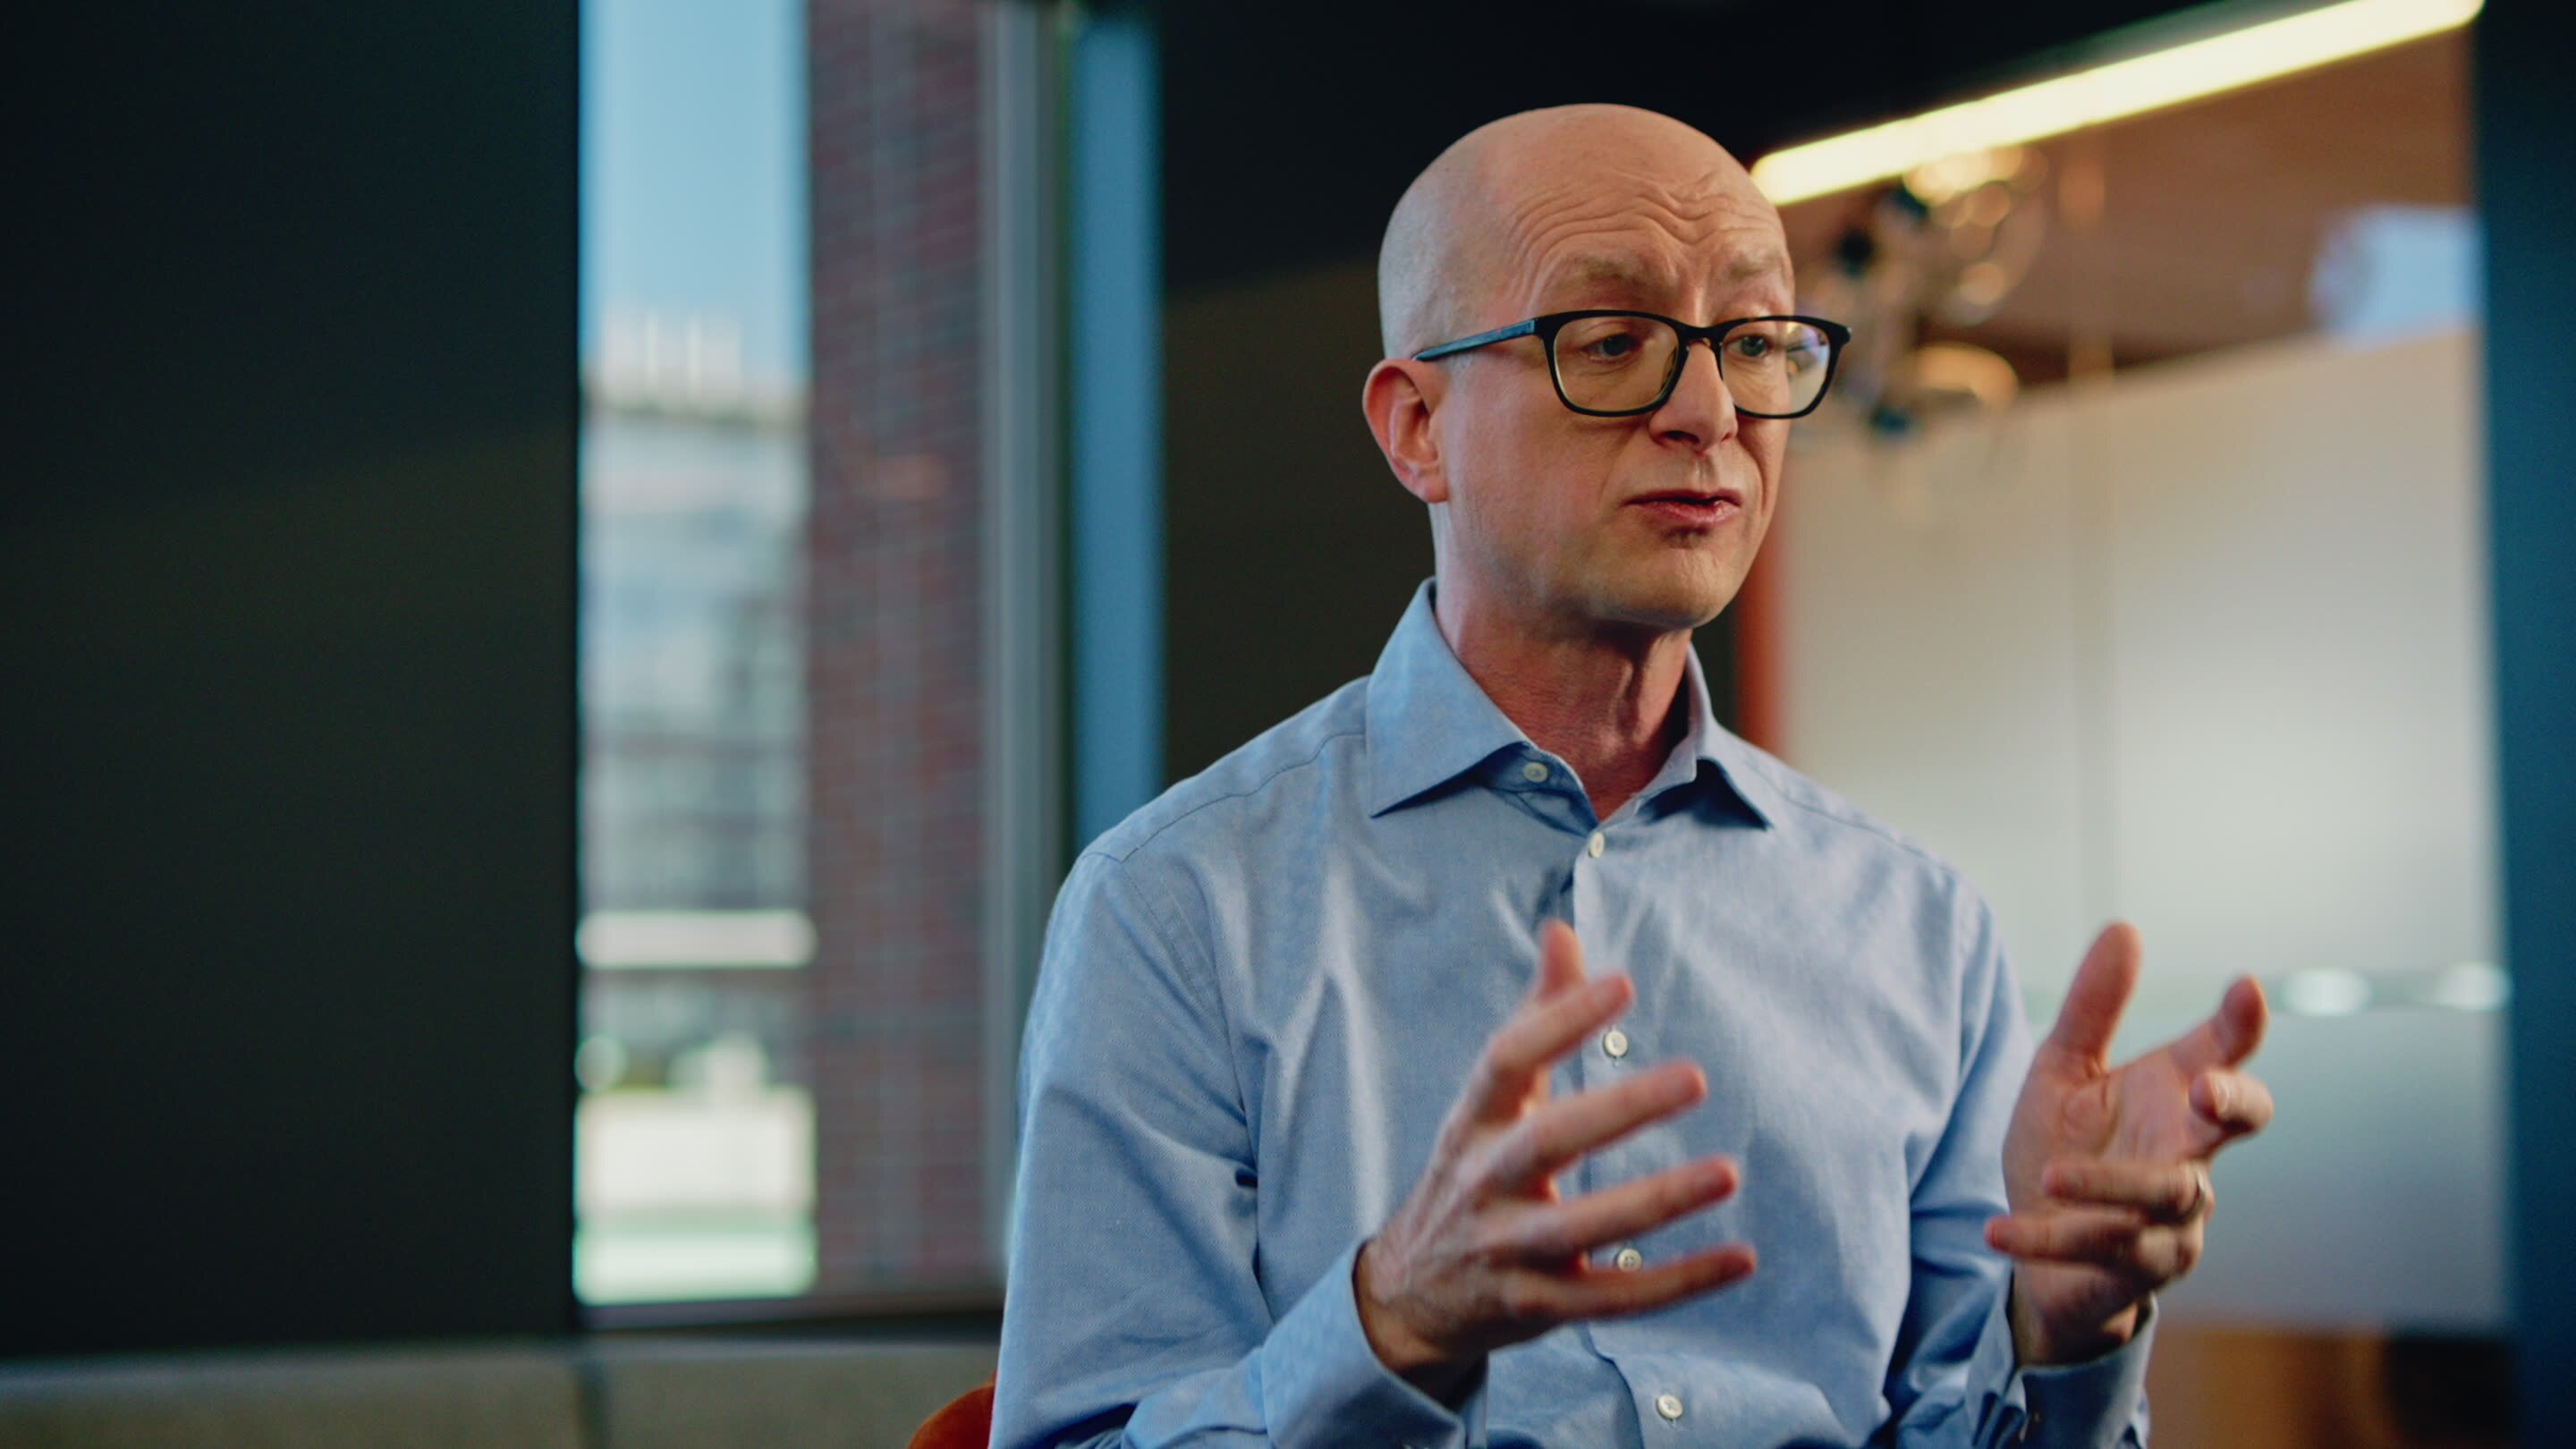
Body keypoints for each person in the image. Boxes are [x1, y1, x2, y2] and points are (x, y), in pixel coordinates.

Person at [992, 104, 2274, 1448]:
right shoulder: (1177, 909)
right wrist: (1391, 1325)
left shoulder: (1916, 925)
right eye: (1612, 343)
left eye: (1757, 343)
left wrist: (2067, 1337)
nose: (1710, 413)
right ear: (1417, 426)